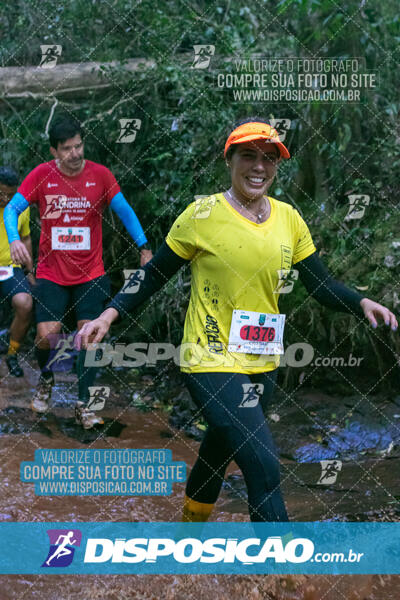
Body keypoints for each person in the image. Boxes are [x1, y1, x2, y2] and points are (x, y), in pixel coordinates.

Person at [76, 120, 397, 520]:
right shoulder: (202, 214)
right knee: (263, 465)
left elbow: (320, 284)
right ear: (229, 159)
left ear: (277, 167)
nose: (258, 166)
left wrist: (360, 302)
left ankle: (189, 533)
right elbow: (154, 274)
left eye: (269, 158)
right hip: (208, 359)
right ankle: (280, 574)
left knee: (218, 450)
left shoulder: (288, 219)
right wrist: (108, 314)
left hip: (263, 360)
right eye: (248, 155)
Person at [4, 116, 153, 429]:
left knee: (90, 337)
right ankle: (47, 380)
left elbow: (124, 210)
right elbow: (11, 209)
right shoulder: (41, 175)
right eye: (67, 149)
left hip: (90, 272)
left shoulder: (100, 175)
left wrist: (144, 246)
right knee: (47, 336)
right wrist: (15, 239)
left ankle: (84, 405)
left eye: (78, 146)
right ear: (54, 151)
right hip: (50, 272)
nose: (75, 153)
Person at [0, 166, 34, 377]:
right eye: (1, 192)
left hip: (10, 267)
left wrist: (30, 270)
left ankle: (12, 354)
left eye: (10, 194)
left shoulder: (21, 206)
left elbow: (26, 238)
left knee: (25, 304)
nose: (5, 198)